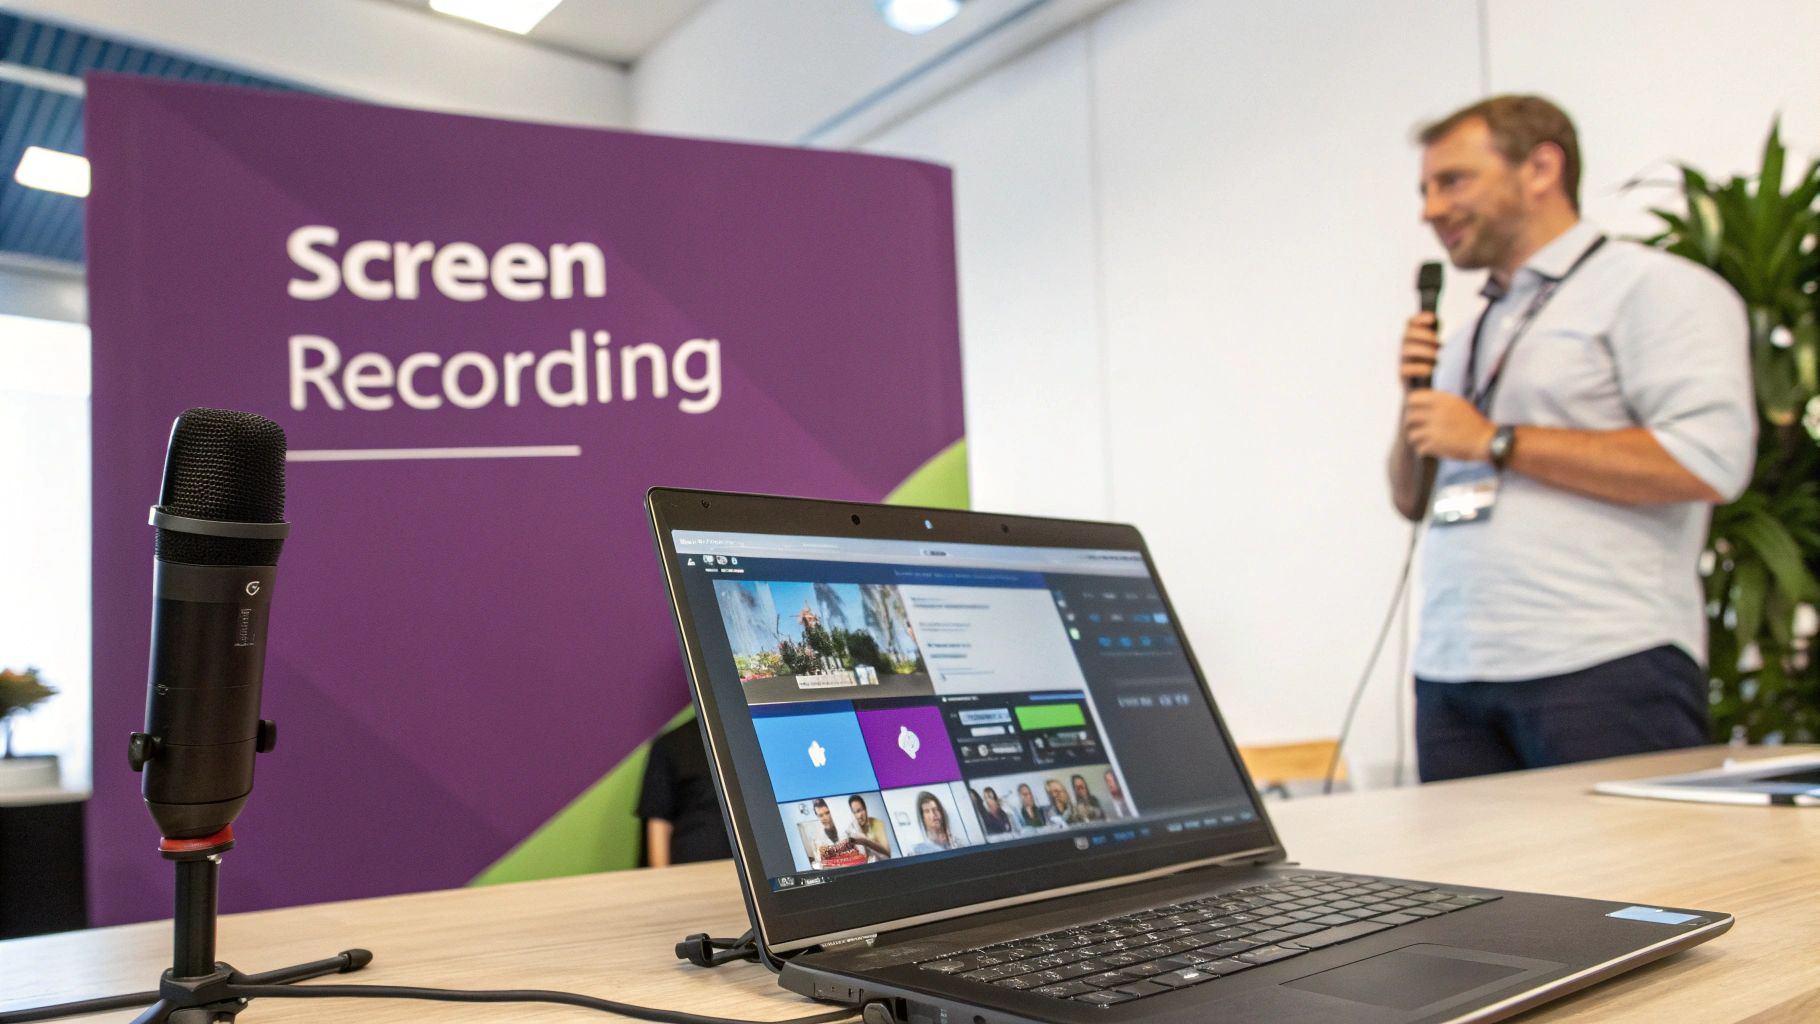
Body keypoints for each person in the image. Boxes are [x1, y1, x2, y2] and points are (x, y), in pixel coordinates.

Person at [1389, 95, 1754, 782]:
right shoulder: (1467, 333)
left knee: (1632, 886)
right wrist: (1411, 394)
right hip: (1452, 672)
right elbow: (1412, 497)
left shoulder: (1654, 289)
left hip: (1602, 665)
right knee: (1470, 891)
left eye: (1453, 181)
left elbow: (1710, 460)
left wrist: (1496, 441)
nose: (1430, 210)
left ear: (1541, 168)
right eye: (1425, 190)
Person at [636, 718, 732, 867]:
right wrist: (664, 882)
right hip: (693, 872)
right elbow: (659, 822)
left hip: (761, 875)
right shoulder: (673, 744)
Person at [844, 794, 893, 861]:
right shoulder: (850, 829)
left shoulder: (877, 823)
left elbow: (888, 853)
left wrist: (867, 841)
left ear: (865, 809)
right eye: (855, 812)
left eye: (860, 810)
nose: (859, 816)